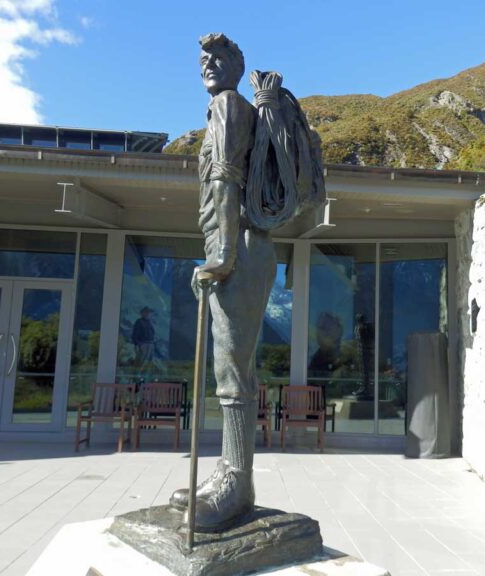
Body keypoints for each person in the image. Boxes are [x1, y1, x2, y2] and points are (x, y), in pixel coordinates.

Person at [169, 33, 276, 532]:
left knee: (232, 368)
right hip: (239, 247)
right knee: (230, 367)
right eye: (203, 59)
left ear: (237, 65)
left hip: (240, 249)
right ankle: (231, 473)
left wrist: (223, 256)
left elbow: (226, 179)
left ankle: (236, 481)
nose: (208, 65)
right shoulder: (227, 107)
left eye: (219, 58)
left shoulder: (229, 106)